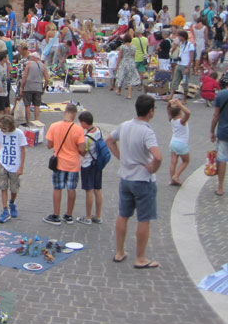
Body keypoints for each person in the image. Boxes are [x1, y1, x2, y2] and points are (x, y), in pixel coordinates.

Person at [106, 95, 162, 268]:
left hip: (125, 178)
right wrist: (153, 167)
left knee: (123, 215)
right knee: (143, 219)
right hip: (143, 180)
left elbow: (109, 140)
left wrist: (121, 157)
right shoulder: (147, 131)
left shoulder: (125, 125)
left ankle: (119, 252)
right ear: (151, 111)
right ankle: (140, 258)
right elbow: (158, 156)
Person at [43, 103, 86, 225]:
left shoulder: (54, 126)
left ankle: (56, 215)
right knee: (71, 188)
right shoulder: (78, 129)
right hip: (73, 163)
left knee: (57, 188)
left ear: (64, 112)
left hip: (59, 163)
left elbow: (49, 145)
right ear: (74, 115)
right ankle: (69, 215)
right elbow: (82, 149)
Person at [0, 114, 27, 223]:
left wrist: (21, 167)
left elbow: (22, 151)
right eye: (1, 128)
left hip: (14, 165)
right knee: (3, 187)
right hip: (3, 163)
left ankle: (12, 202)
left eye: (4, 128)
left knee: (14, 188)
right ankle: (5, 210)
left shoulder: (19, 134)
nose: (2, 130)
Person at [77, 111, 104, 225]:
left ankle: (87, 217)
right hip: (98, 163)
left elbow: (83, 152)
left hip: (88, 164)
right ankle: (98, 215)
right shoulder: (98, 130)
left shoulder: (87, 137)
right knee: (97, 190)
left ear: (83, 123)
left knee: (89, 190)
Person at [210, 73, 228, 196]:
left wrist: (212, 130)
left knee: (221, 158)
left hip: (223, 130)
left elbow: (216, 115)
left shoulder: (221, 95)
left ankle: (220, 187)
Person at [166, 100, 191, 187]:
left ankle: (171, 179)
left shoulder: (172, 120)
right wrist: (180, 104)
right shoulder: (182, 121)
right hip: (182, 144)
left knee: (173, 161)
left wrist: (169, 104)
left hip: (173, 143)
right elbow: (188, 113)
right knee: (186, 161)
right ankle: (176, 175)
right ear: (180, 112)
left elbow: (168, 109)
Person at [20, 53, 49, 123]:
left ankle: (28, 121)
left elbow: (24, 76)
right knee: (37, 105)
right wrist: (44, 88)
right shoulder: (43, 66)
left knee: (27, 105)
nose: (30, 58)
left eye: (30, 57)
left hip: (28, 87)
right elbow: (47, 79)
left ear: (33, 57)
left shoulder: (29, 64)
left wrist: (22, 87)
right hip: (38, 87)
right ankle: (36, 120)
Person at [169, 31, 195, 104]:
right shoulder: (181, 44)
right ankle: (170, 96)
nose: (178, 38)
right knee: (175, 80)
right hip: (179, 64)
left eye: (179, 36)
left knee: (185, 83)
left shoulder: (190, 45)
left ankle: (184, 99)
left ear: (183, 37)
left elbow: (191, 58)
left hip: (185, 65)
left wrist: (188, 68)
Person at [115, 35, 142, 99]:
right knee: (130, 78)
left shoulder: (122, 47)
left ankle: (119, 90)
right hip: (131, 63)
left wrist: (117, 65)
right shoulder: (134, 47)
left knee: (121, 76)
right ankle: (129, 94)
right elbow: (134, 56)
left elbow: (119, 57)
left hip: (124, 63)